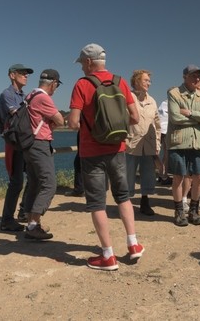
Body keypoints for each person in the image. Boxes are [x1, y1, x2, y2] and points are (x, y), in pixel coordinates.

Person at [68, 43, 144, 270]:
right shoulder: (120, 81)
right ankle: (133, 244)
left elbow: (73, 122)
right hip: (117, 148)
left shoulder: (82, 84)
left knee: (97, 203)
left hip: (91, 152)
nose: (82, 68)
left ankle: (108, 256)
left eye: (82, 63)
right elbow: (135, 117)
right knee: (123, 196)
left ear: (89, 62)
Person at [166, 65, 200, 226]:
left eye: (198, 76)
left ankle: (194, 211)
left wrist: (191, 113)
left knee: (199, 176)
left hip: (198, 142)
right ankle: (179, 211)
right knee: (179, 177)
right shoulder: (174, 93)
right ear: (185, 77)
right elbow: (175, 118)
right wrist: (198, 119)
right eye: (193, 76)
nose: (197, 79)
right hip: (179, 142)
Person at [22, 69, 65, 240]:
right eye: (57, 86)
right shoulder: (43, 97)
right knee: (49, 184)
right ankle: (33, 225)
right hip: (39, 144)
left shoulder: (30, 95)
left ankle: (31, 222)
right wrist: (54, 122)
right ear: (54, 83)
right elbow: (60, 120)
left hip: (28, 144)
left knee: (34, 183)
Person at [0, 63, 34, 232]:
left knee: (33, 177)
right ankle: (6, 220)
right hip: (14, 143)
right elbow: (18, 116)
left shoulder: (23, 95)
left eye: (27, 74)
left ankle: (23, 212)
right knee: (16, 182)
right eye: (22, 73)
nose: (26, 76)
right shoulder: (7, 95)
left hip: (24, 142)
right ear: (12, 75)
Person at [125, 69, 161, 216]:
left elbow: (157, 124)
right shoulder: (128, 98)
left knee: (148, 174)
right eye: (145, 80)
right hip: (131, 143)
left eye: (149, 81)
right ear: (136, 81)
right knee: (128, 175)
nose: (148, 83)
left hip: (149, 145)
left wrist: (157, 143)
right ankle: (126, 205)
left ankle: (145, 202)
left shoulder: (152, 100)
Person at [156, 100, 172, 186]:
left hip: (160, 130)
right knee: (166, 154)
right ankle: (164, 176)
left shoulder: (163, 103)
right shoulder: (171, 103)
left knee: (160, 154)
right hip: (166, 130)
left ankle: (160, 174)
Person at [65, 131, 84, 197]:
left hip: (86, 133)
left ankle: (79, 190)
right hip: (100, 133)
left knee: (79, 161)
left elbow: (74, 124)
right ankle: (101, 188)